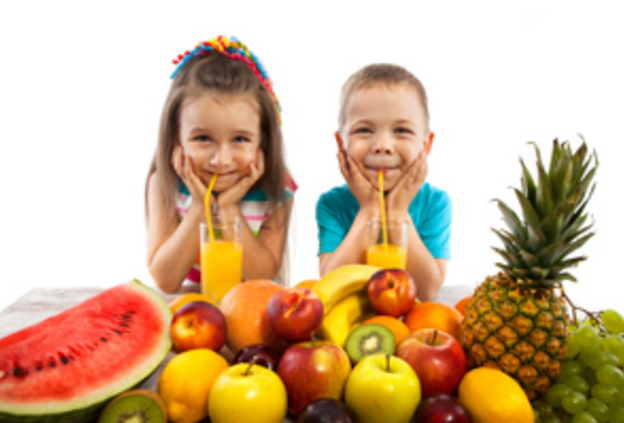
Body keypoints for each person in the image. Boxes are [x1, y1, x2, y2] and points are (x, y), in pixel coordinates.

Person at [146, 36, 296, 293]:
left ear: (263, 141)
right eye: (203, 138)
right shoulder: (164, 183)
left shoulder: (277, 188)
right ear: (175, 137)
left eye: (240, 139)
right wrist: (200, 206)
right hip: (192, 309)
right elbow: (166, 281)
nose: (222, 160)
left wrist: (228, 208)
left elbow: (261, 276)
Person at [316, 64, 451, 300]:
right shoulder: (332, 205)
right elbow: (331, 285)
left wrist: (398, 212)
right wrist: (369, 210)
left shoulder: (435, 203)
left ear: (426, 145)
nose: (383, 146)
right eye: (364, 130)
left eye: (401, 130)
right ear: (341, 144)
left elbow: (426, 290)